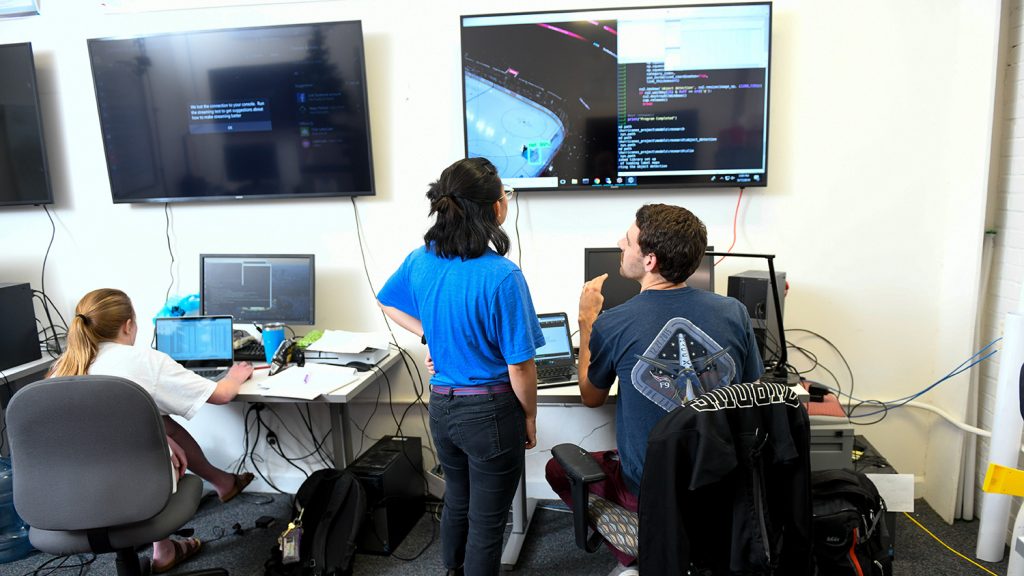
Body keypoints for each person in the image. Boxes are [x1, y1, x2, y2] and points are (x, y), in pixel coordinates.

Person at [545, 204, 764, 573]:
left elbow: (591, 396)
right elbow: (749, 390)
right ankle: (679, 542)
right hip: (720, 478)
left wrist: (586, 322)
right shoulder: (734, 312)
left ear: (649, 260)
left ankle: (643, 542)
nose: (619, 243)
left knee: (557, 468)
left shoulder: (612, 323)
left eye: (627, 240)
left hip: (651, 485)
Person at [377, 157, 543, 576]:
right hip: (490, 411)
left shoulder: (421, 259)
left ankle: (451, 570)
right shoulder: (502, 276)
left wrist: (428, 333)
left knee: (457, 501)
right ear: (496, 208)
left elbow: (386, 300)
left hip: (443, 408)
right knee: (488, 522)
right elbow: (520, 367)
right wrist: (530, 416)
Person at [49, 288, 255, 573]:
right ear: (129, 325)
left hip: (66, 491)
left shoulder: (62, 368)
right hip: (134, 484)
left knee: (162, 424)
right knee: (158, 436)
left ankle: (167, 545)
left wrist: (165, 438)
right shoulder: (144, 361)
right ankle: (170, 536)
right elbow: (221, 395)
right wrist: (235, 375)